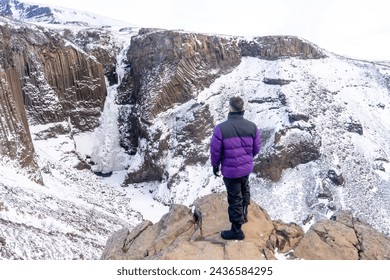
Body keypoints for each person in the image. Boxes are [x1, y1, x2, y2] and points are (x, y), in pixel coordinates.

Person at [210, 96, 261, 240]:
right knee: (245, 191)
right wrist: (245, 158)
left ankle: (237, 231)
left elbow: (215, 151)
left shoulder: (221, 128)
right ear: (242, 108)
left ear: (230, 108)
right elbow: (256, 149)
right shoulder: (252, 127)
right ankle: (243, 215)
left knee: (234, 198)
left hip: (231, 171)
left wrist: (215, 165)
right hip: (246, 168)